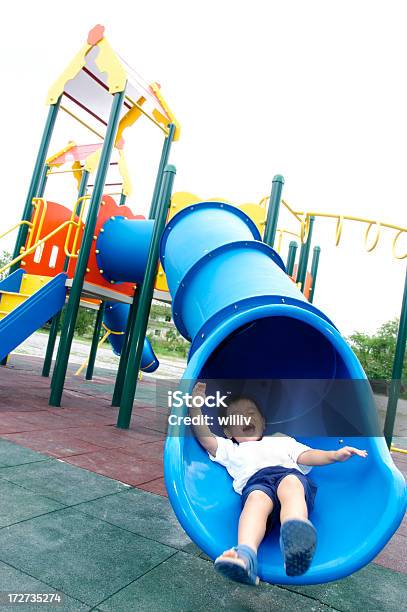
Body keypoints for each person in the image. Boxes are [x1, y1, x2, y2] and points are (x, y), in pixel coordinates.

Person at [190, 382, 368, 585]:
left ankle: (296, 539)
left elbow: (307, 455)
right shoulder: (231, 449)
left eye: (251, 412)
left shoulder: (282, 440)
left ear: (263, 422)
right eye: (237, 417)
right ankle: (246, 556)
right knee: (255, 500)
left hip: (288, 476)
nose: (246, 417)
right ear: (228, 431)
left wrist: (334, 455)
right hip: (257, 484)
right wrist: (195, 407)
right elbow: (207, 439)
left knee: (290, 483)